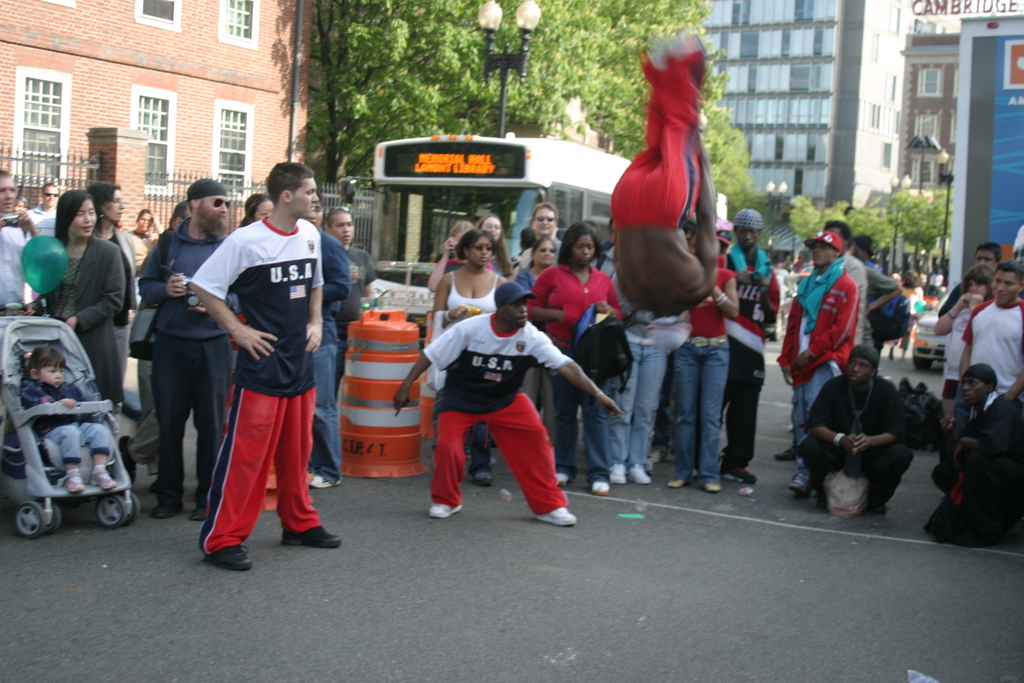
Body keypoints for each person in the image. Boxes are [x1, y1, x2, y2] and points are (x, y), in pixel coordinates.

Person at [190, 162, 340, 571]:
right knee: (246, 460)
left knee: (298, 456)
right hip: (261, 369)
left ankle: (299, 524)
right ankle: (222, 539)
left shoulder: (310, 235)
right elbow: (203, 286)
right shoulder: (245, 241)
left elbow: (316, 283)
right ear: (286, 196)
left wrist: (313, 321)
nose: (316, 199)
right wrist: (239, 333)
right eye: (310, 192)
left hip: (300, 367)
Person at [393, 281, 623, 524]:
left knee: (537, 442)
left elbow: (569, 367)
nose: (523, 309)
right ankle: (446, 500)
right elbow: (430, 354)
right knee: (448, 447)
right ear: (501, 308)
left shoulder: (531, 336)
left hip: (505, 399)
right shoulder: (470, 328)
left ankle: (549, 506)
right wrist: (406, 385)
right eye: (516, 305)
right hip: (462, 398)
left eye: (525, 303)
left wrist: (599, 394)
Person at [138, 179, 236, 521]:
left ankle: (207, 498)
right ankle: (168, 495)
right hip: (170, 345)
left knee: (210, 426)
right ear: (195, 204)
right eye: (218, 202)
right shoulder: (167, 243)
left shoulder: (229, 246)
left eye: (226, 203)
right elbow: (145, 287)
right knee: (169, 422)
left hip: (213, 346)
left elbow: (241, 294)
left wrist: (215, 304)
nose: (225, 209)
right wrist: (165, 288)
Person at [610, 35, 719, 316]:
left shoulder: (699, 287)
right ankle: (659, 75)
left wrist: (699, 153)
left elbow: (707, 216)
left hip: (663, 207)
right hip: (624, 207)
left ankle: (687, 61)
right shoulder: (636, 296)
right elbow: (617, 253)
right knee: (657, 143)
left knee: (681, 127)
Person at [529, 221, 621, 494]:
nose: (585, 252)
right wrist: (558, 315)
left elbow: (619, 313)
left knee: (595, 412)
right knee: (564, 413)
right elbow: (531, 309)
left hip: (594, 356)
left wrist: (608, 310)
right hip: (561, 351)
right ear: (569, 248)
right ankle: (564, 468)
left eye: (590, 247)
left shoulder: (603, 279)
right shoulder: (552, 275)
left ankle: (599, 473)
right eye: (580, 246)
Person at [779, 230, 858, 497]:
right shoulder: (806, 284)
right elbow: (793, 325)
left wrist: (810, 352)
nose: (816, 250)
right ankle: (803, 472)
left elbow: (842, 331)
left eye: (823, 247)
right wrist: (786, 358)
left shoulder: (846, 286)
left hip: (825, 364)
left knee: (818, 420)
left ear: (837, 253)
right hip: (801, 364)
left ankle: (816, 473)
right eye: (813, 246)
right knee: (801, 418)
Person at [799, 344, 912, 513]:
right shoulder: (834, 386)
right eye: (852, 363)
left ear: (873, 371)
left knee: (900, 454)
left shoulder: (886, 390)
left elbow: (896, 432)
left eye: (862, 365)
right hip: (839, 448)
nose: (855, 369)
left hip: (871, 450)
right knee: (810, 445)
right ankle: (823, 494)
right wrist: (840, 439)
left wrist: (870, 441)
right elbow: (814, 425)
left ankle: (876, 500)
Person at [432, 228, 506, 486]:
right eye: (479, 247)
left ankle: (481, 464)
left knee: (483, 413)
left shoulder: (499, 283)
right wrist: (452, 315)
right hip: (454, 355)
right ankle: (445, 459)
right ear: (465, 250)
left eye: (488, 248)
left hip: (487, 356)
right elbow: (436, 315)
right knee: (447, 408)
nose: (484, 252)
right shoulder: (449, 280)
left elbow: (506, 321)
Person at [668, 235, 739, 492]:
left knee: (710, 415)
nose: (701, 249)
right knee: (685, 413)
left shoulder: (726, 274)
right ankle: (683, 472)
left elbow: (733, 311)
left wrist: (713, 287)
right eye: (695, 245)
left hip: (716, 350)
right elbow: (671, 309)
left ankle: (709, 474)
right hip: (687, 348)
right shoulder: (681, 274)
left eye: (710, 245)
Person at [929, 363, 1024, 547]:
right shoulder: (976, 413)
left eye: (972, 383)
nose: (965, 388)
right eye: (963, 383)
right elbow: (956, 460)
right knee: (943, 471)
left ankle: (986, 531)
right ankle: (970, 515)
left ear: (989, 388)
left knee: (979, 460)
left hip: (1017, 478)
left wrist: (964, 441)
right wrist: (949, 433)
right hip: (997, 475)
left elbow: (991, 447)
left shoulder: (1002, 408)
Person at [600, 229, 663, 486]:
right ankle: (617, 461)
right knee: (622, 406)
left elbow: (671, 310)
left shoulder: (666, 274)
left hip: (656, 345)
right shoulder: (622, 273)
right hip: (629, 345)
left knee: (645, 409)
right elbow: (618, 312)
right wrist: (639, 308)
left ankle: (636, 462)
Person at [721, 209, 779, 485]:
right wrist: (732, 279)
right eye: (742, 230)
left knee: (745, 412)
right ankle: (704, 460)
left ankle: (736, 463)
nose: (747, 235)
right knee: (713, 408)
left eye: (752, 231)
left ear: (759, 234)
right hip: (724, 344)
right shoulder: (726, 260)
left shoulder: (768, 268)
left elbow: (771, 316)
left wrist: (765, 292)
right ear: (736, 232)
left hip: (754, 349)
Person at [19, 346, 117, 493]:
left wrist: (84, 409)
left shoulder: (69, 387)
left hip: (76, 425)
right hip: (50, 430)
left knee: (99, 429)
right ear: (34, 373)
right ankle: (73, 474)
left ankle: (99, 470)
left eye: (61, 371)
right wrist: (56, 404)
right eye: (52, 372)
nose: (58, 376)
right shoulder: (29, 387)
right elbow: (34, 405)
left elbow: (85, 406)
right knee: (71, 432)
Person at [307, 206, 351, 489]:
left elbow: (343, 287)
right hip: (293, 333)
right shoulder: (290, 241)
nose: (312, 212)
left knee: (322, 406)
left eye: (317, 208)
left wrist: (309, 291)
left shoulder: (328, 245)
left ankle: (329, 469)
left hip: (322, 332)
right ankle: (309, 463)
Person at [88, 182, 136, 390]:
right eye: (116, 201)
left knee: (115, 384)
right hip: (94, 323)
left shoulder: (125, 240)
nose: (121, 206)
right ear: (100, 205)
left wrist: (131, 306)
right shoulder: (87, 240)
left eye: (122, 201)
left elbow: (130, 276)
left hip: (120, 322)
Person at [933, 264, 993, 419]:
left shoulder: (989, 311)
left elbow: (982, 333)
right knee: (949, 421)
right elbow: (939, 330)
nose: (974, 288)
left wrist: (975, 308)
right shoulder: (962, 309)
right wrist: (958, 307)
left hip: (975, 378)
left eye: (979, 284)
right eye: (971, 285)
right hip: (952, 374)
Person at [959, 260, 1024, 403]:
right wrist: (964, 385)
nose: (1000, 287)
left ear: (1021, 286)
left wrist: (1010, 396)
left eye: (1008, 283)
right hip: (971, 397)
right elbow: (967, 349)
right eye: (997, 281)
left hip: (1006, 397)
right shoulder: (980, 310)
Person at [327, 206, 375, 390]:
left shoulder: (362, 256)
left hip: (359, 335)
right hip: (335, 336)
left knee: (360, 389)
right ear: (328, 230)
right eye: (340, 225)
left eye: (349, 224)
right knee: (330, 389)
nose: (346, 230)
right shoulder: (325, 256)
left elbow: (368, 296)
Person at [0, 170, 38, 307]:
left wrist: (33, 232)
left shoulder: (20, 228)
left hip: (16, 312)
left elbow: (40, 265)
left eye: (12, 190)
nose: (9, 196)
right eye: (2, 190)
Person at [938, 242, 1003, 318]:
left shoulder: (1001, 289)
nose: (981, 262)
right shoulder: (962, 287)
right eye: (979, 258)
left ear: (997, 263)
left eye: (987, 259)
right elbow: (942, 315)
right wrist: (959, 306)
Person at [512, 203, 561, 275]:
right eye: (540, 218)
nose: (545, 222)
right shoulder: (526, 255)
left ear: (556, 225)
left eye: (550, 219)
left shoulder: (564, 250)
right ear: (533, 224)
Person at [427, 220, 475, 292]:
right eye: (458, 242)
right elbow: (433, 287)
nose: (461, 247)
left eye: (465, 243)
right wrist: (446, 254)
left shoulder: (480, 264)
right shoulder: (446, 264)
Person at [890, 270, 923, 361]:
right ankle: (902, 355)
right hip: (912, 315)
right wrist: (919, 316)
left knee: (896, 331)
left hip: (900, 312)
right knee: (907, 335)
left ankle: (893, 345)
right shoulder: (918, 290)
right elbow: (921, 303)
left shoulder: (901, 288)